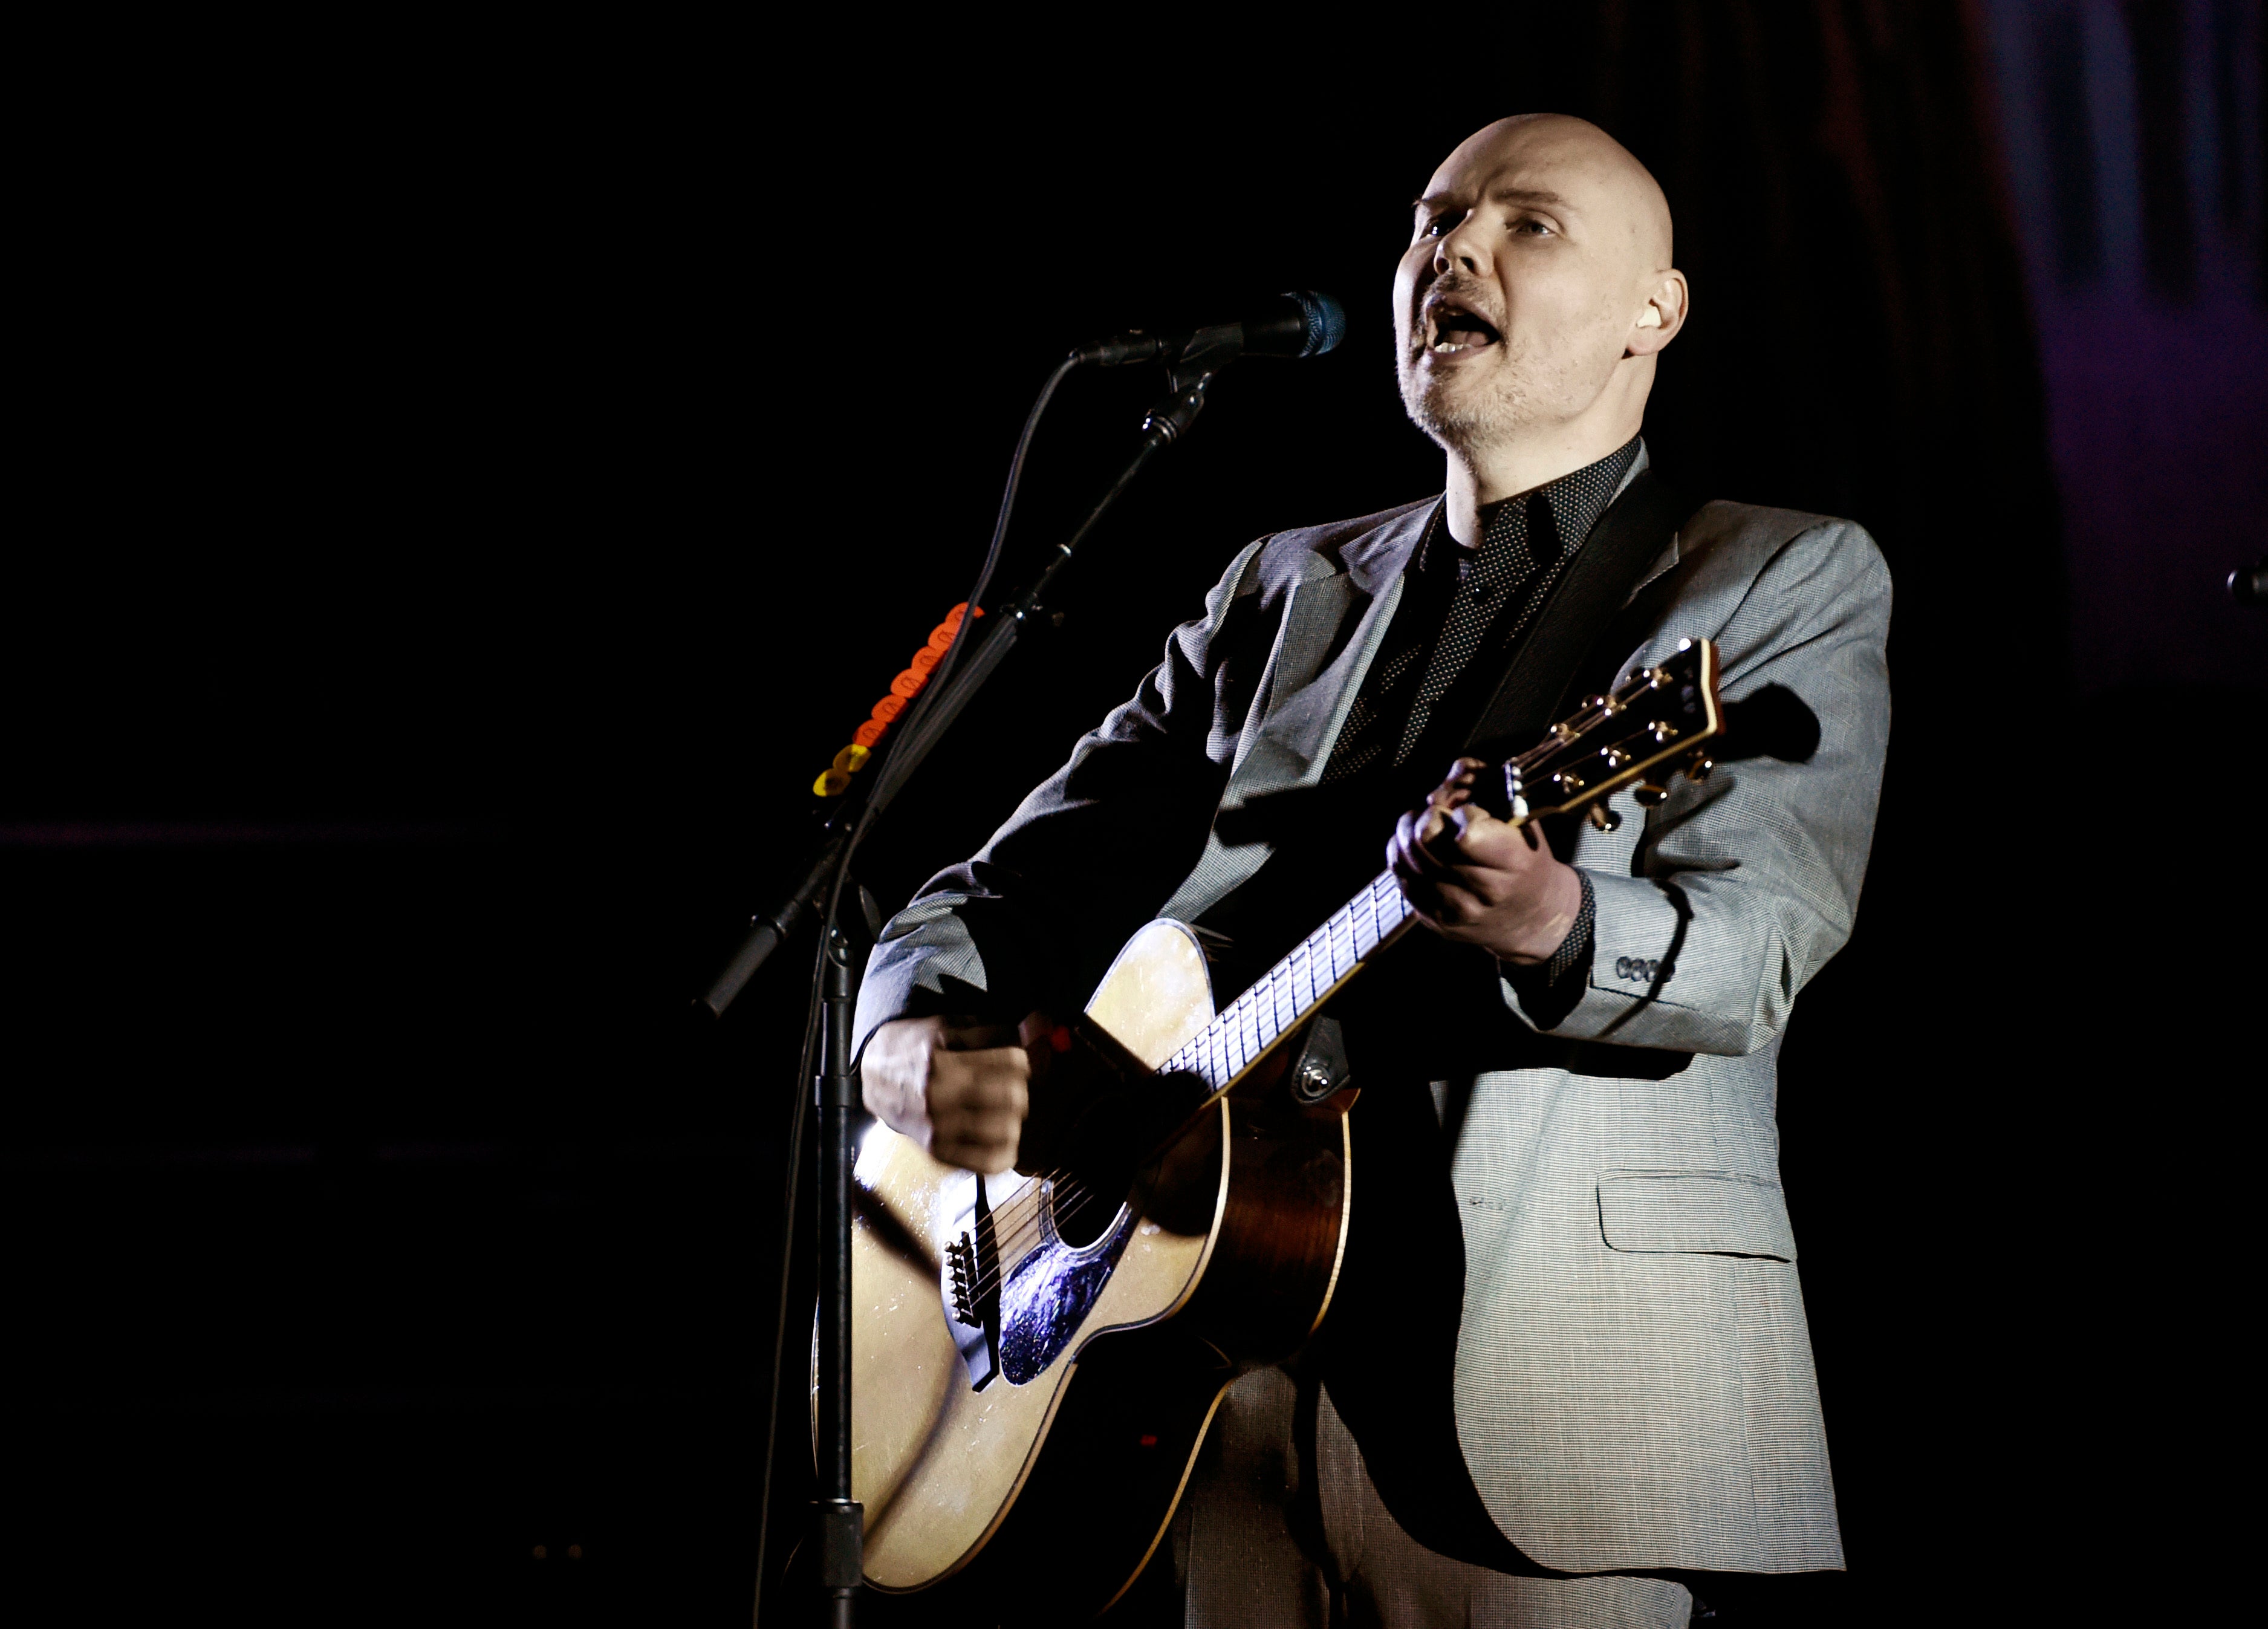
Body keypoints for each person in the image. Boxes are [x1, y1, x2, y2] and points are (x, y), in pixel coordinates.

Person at [853, 114, 1889, 1628]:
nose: (1450, 250)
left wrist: (1554, 918)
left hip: (1566, 1401)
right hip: (1220, 1403)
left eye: (1525, 225)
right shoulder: (1278, 588)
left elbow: (1765, 937)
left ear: (1652, 315)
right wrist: (904, 1042)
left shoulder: (1775, 578)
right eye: (1431, 219)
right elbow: (994, 891)